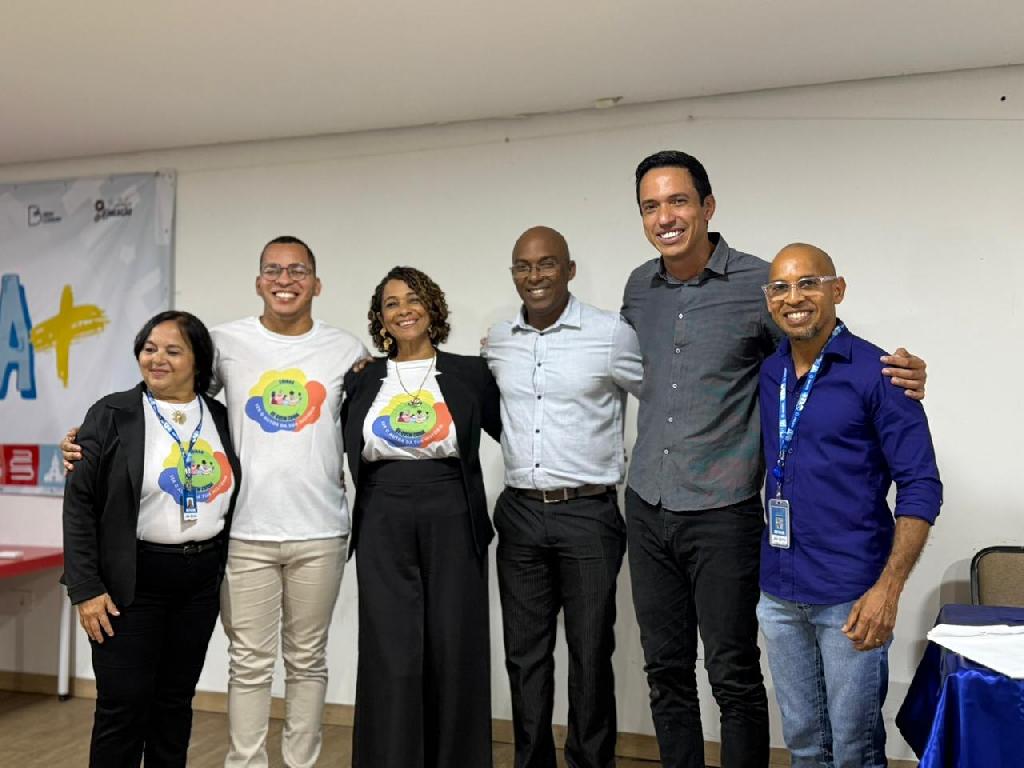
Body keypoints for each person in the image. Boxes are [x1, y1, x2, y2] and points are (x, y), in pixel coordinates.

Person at [620, 150, 928, 768]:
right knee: (665, 670)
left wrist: (900, 372)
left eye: (678, 201)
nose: (665, 217)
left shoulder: (759, 284)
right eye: (651, 206)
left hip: (723, 511)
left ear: (707, 206)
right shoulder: (638, 288)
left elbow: (816, 341)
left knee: (733, 673)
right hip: (648, 504)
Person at [64, 235, 368, 768]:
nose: (285, 279)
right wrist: (82, 443)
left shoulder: (344, 350)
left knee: (294, 665)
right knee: (234, 668)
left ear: (317, 283)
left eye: (298, 270)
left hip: (301, 535)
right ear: (258, 282)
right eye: (273, 269)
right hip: (235, 538)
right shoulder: (221, 345)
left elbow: (371, 413)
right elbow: (157, 402)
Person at [756, 243, 941, 767]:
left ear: (836, 290)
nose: (794, 297)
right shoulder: (769, 372)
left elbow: (921, 485)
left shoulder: (881, 374)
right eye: (781, 287)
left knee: (854, 749)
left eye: (808, 283)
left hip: (851, 597)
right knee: (802, 743)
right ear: (769, 300)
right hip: (779, 590)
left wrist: (888, 590)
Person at [484, 226, 642, 768]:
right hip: (520, 513)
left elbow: (664, 398)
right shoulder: (499, 340)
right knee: (524, 655)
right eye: (523, 266)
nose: (535, 276)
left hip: (588, 514)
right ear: (513, 274)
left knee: (591, 652)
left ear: (569, 270)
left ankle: (590, 762)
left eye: (547, 264)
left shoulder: (611, 334)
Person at [62, 310, 241, 767]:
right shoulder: (112, 413)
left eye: (172, 350)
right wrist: (86, 589)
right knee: (122, 707)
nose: (157, 359)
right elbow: (79, 506)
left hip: (199, 582)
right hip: (129, 583)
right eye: (149, 348)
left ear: (198, 361)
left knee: (174, 705)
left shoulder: (221, 417)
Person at [342, 266, 501, 768]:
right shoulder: (362, 379)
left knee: (455, 645)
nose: (403, 309)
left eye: (413, 298)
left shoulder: (472, 373)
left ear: (432, 307)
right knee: (390, 651)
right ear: (380, 318)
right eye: (391, 303)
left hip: (452, 512)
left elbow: (517, 430)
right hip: (381, 514)